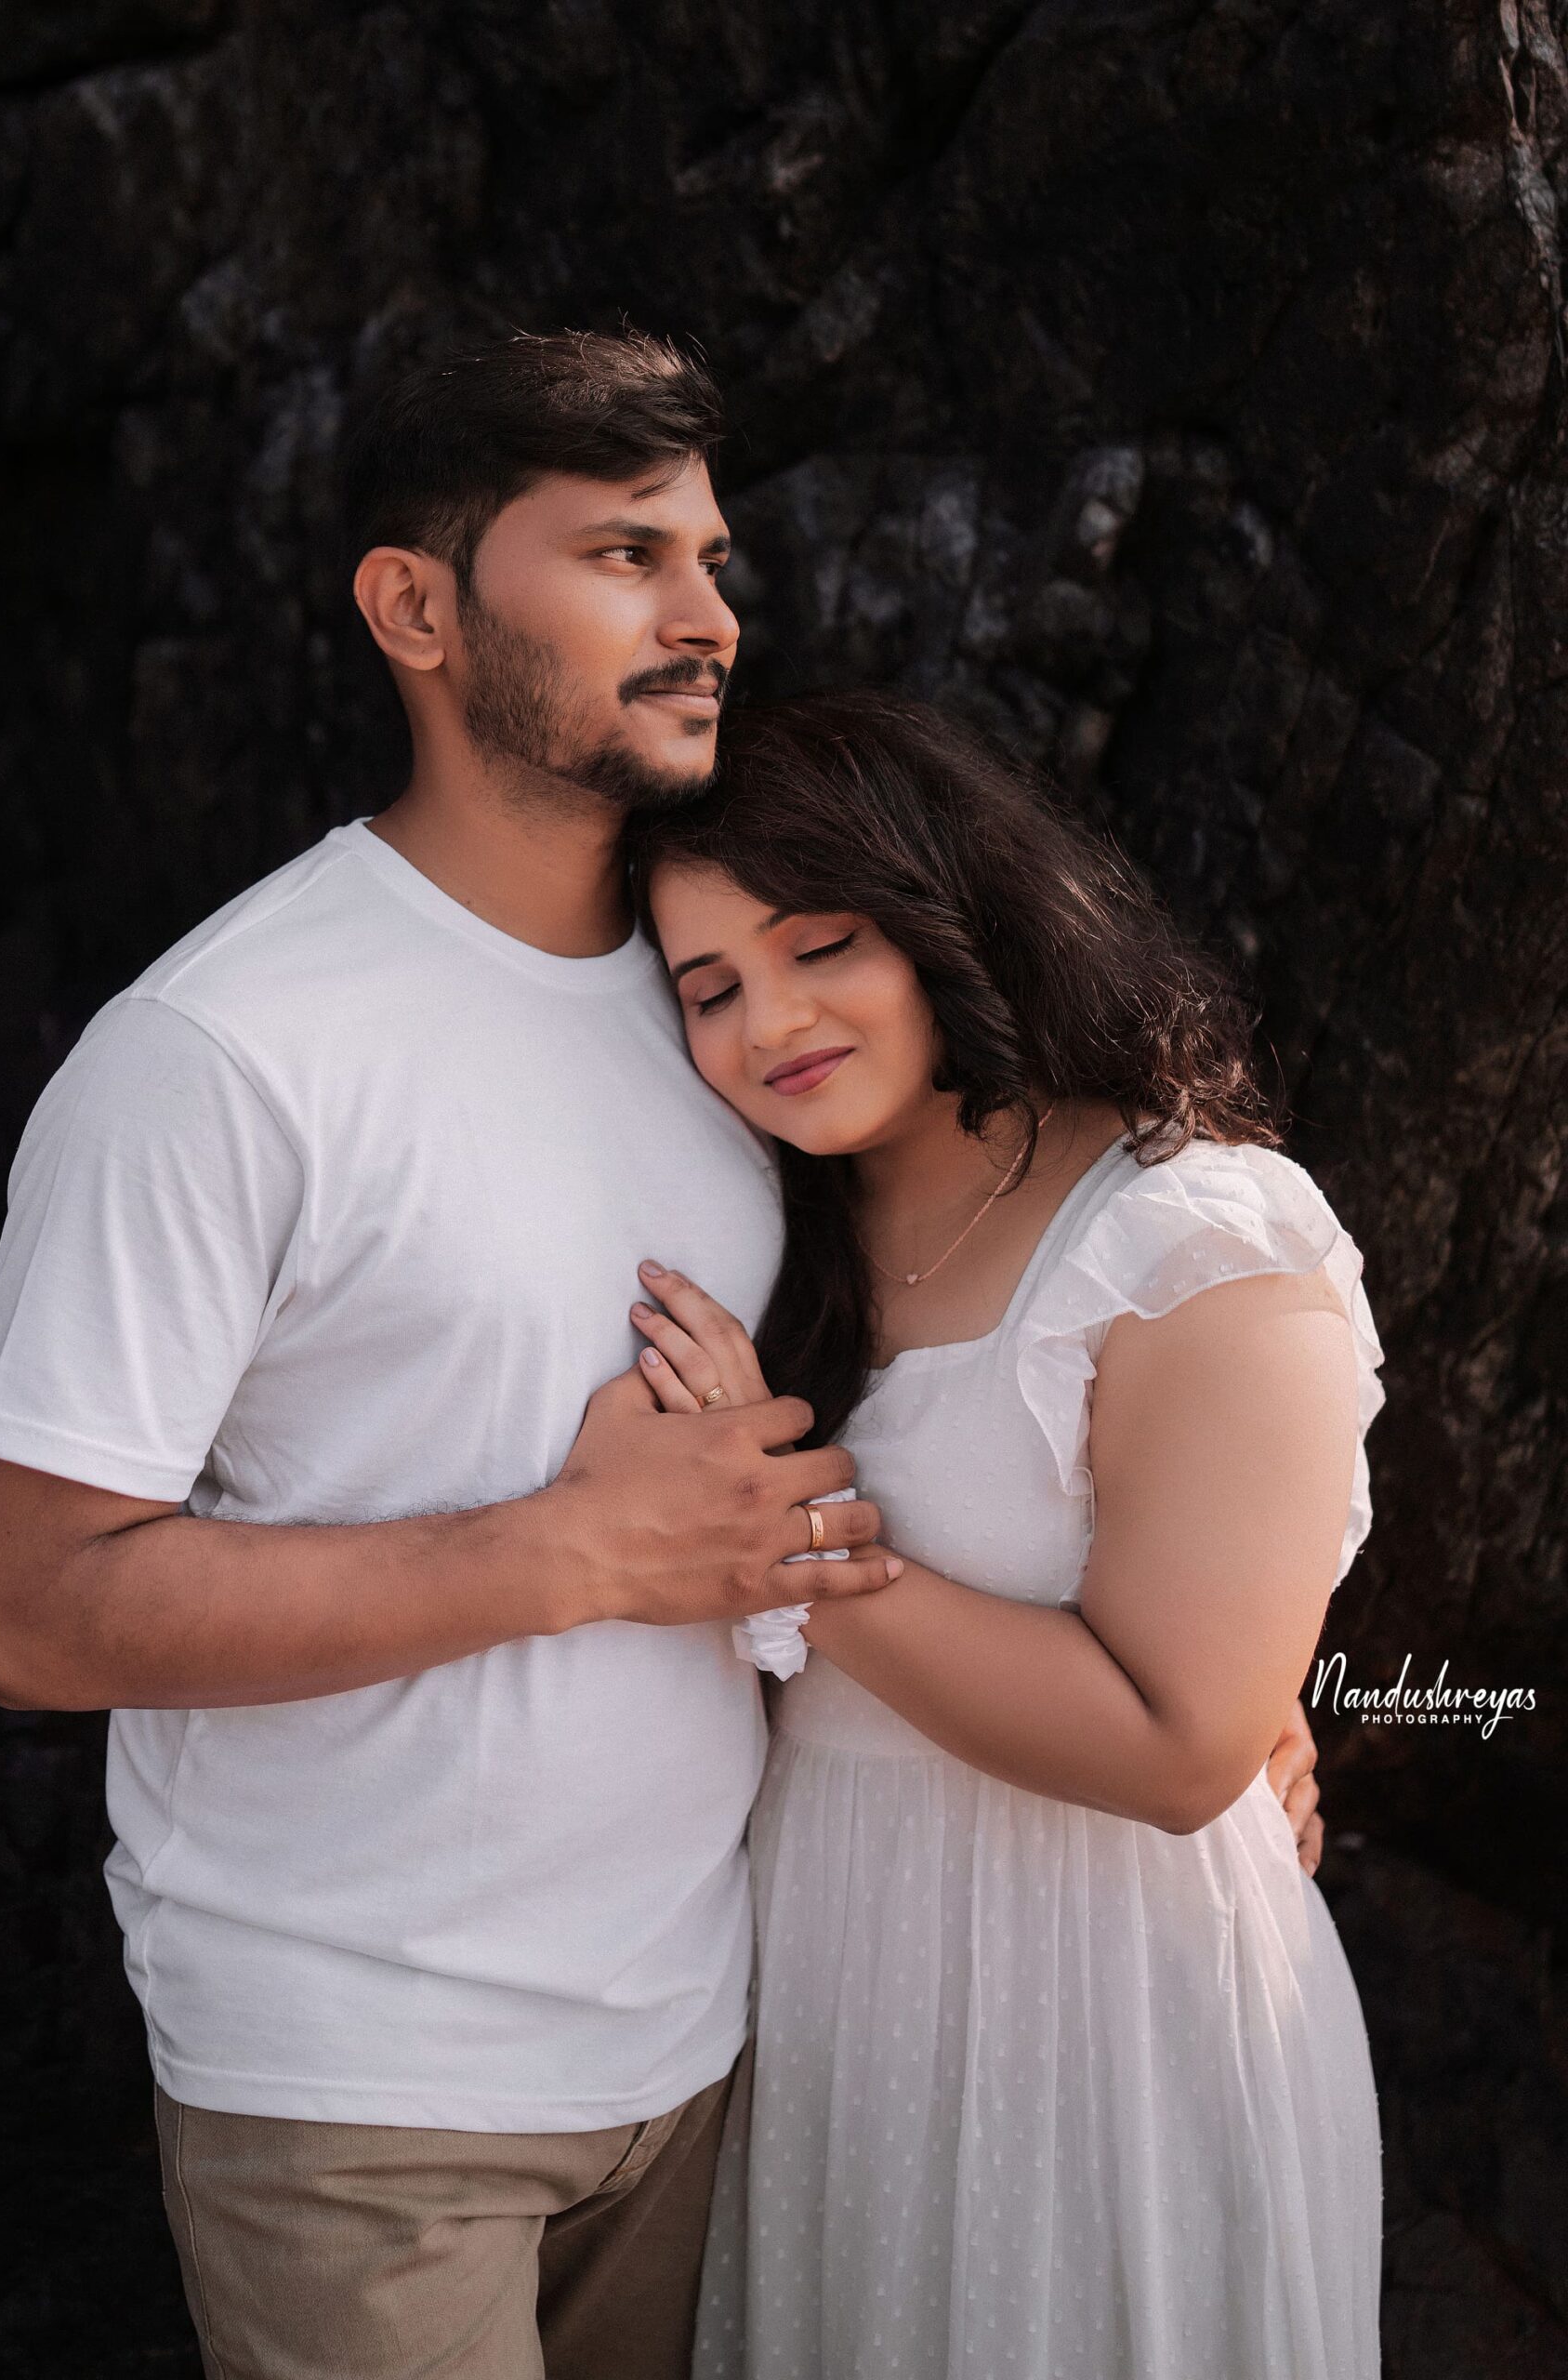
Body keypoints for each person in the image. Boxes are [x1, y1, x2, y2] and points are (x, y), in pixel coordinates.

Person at [0, 328, 1325, 2380]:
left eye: (709, 556)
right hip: (363, 2082)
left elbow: (1016, 1345)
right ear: (416, 607)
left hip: (717, 2045)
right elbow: (31, 1613)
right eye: (622, 553)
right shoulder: (219, 1054)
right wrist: (571, 1551)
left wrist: (1227, 1670)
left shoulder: (735, 1019)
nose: (708, 615)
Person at [623, 689, 1384, 2380]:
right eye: (710, 987)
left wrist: (785, 1529)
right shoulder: (763, 1241)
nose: (771, 1021)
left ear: (944, 914)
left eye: (821, 945)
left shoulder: (1189, 1236)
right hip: (832, 1984)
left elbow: (1180, 1745)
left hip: (1108, 2003)